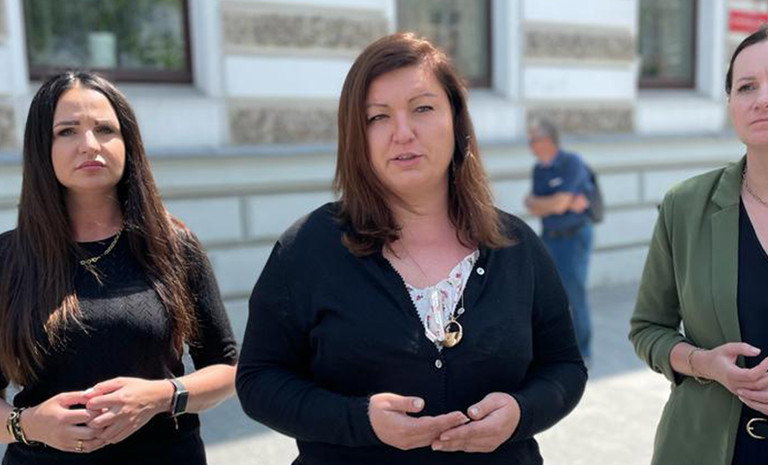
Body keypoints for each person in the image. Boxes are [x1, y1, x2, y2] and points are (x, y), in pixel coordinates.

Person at [237, 32, 586, 465]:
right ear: (356, 135)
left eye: (422, 108)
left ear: (456, 120)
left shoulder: (516, 246)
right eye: (377, 117)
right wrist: (359, 420)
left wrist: (521, 412)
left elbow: (565, 368)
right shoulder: (307, 248)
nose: (403, 133)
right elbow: (259, 380)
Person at [0, 71, 238, 464]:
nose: (89, 145)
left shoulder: (173, 245)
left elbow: (225, 368)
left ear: (128, 143)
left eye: (105, 129)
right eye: (67, 131)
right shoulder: (9, 258)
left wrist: (162, 396)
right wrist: (29, 424)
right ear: (42, 146)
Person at [630, 25, 768, 465]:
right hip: (703, 448)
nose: (762, 99)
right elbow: (647, 327)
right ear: (730, 104)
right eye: (747, 86)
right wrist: (703, 363)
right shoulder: (686, 206)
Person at [524, 119, 594, 362]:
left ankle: (583, 351)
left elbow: (557, 204)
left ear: (546, 141)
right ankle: (553, 349)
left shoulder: (571, 162)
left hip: (573, 237)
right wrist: (555, 203)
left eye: (533, 140)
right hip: (548, 237)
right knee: (545, 294)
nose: (530, 145)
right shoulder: (538, 169)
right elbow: (531, 205)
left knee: (574, 293)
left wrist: (550, 203)